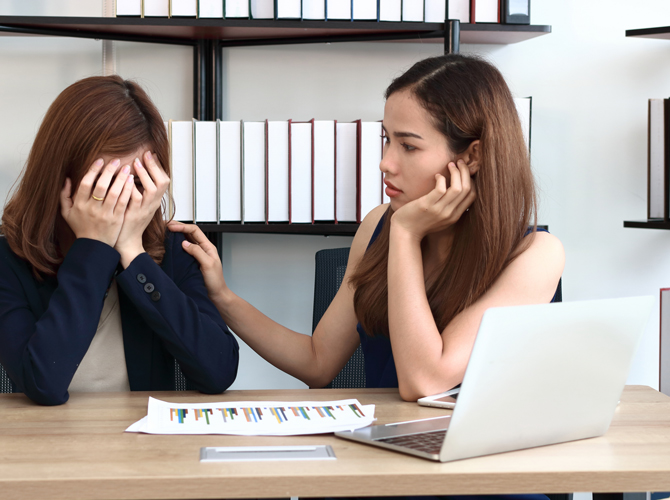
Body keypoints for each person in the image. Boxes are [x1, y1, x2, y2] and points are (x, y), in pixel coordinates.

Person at [168, 54, 564, 403]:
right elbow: (318, 362)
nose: (385, 162)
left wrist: (406, 236)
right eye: (386, 139)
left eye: (408, 146)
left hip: (479, 474)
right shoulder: (378, 224)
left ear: (472, 156)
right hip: (382, 460)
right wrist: (222, 296)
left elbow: (425, 381)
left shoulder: (535, 254)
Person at [0, 76, 239, 406]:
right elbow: (43, 385)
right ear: (61, 175)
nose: (121, 199)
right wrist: (92, 247)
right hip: (42, 444)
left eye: (137, 181)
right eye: (107, 182)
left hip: (143, 442)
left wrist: (132, 252)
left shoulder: (172, 251)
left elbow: (219, 371)